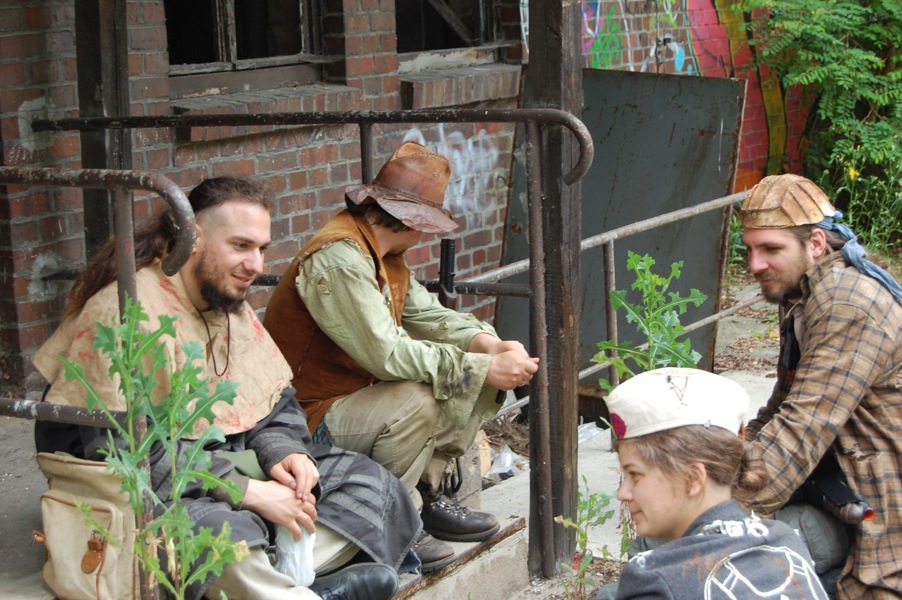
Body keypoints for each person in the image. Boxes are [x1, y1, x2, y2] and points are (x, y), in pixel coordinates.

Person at [32, 177, 421, 600]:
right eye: (240, 246)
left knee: (373, 485)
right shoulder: (126, 311)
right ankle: (290, 583)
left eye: (262, 248)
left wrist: (284, 453)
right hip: (149, 486)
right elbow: (125, 456)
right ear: (192, 239)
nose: (255, 264)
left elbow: (274, 402)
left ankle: (273, 579)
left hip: (229, 462)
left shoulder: (225, 298)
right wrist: (248, 492)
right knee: (216, 531)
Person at [263, 140, 540, 570]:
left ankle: (426, 497)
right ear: (412, 222)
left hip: (349, 404)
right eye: (428, 224)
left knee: (462, 374)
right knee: (423, 395)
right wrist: (481, 367)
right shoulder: (339, 260)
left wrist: (486, 343)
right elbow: (386, 354)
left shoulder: (385, 255)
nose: (427, 235)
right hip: (302, 422)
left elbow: (429, 316)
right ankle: (394, 522)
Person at [739, 173, 902, 598]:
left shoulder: (846, 302)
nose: (755, 265)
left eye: (770, 249)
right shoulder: (805, 292)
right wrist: (726, 461)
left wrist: (719, 512)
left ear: (815, 243)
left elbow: (802, 427)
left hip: (883, 503)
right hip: (841, 484)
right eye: (749, 249)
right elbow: (781, 407)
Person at [597, 367, 828, 599]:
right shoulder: (786, 542)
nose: (623, 493)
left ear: (692, 479)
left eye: (635, 475)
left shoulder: (657, 581)